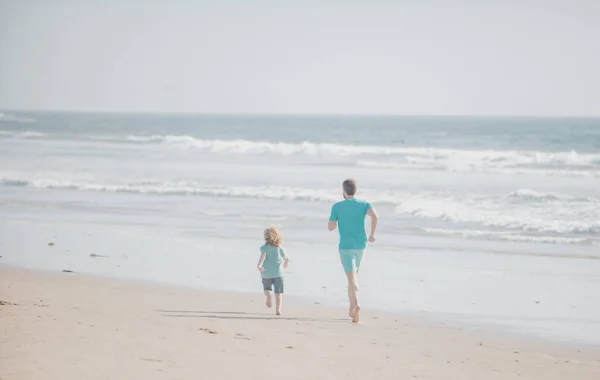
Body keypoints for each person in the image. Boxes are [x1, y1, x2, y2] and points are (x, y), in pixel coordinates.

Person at [328, 178, 378, 323]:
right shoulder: (364, 204)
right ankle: (351, 309)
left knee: (352, 278)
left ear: (344, 191)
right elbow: (375, 215)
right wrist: (372, 233)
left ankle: (355, 305)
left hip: (346, 246)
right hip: (361, 245)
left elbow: (331, 227)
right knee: (353, 276)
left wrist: (336, 221)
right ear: (355, 190)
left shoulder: (337, 206)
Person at [256, 226, 289, 316]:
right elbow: (287, 258)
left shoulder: (264, 248)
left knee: (267, 289)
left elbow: (262, 257)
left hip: (266, 273)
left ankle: (268, 295)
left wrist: (259, 265)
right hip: (278, 273)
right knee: (278, 294)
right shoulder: (279, 247)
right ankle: (278, 310)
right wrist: (286, 264)